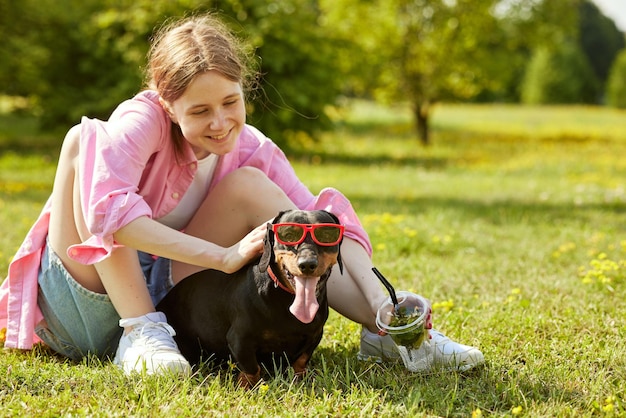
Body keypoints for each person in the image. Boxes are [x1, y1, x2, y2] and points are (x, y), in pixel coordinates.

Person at [0, 14, 483, 375]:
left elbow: (326, 223)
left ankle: (395, 337)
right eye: (200, 111)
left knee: (271, 201)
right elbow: (109, 215)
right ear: (167, 105)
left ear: (244, 89)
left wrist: (382, 303)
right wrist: (224, 255)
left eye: (231, 102)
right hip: (87, 300)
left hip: (174, 310)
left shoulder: (249, 147)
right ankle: (140, 331)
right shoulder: (139, 121)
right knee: (84, 143)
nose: (220, 122)